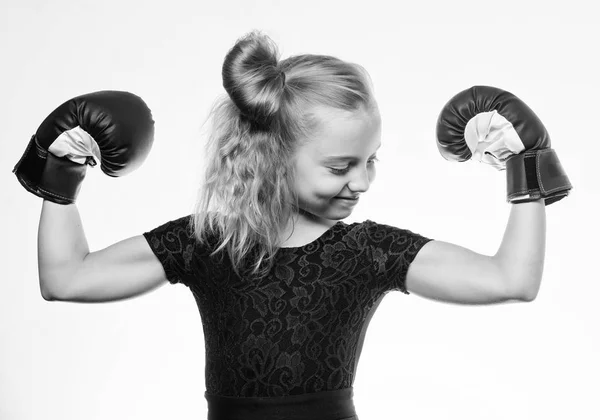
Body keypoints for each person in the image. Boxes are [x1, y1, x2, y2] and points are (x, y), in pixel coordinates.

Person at [15, 32, 571, 420]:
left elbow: (510, 280)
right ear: (272, 158)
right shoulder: (208, 240)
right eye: (340, 166)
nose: (363, 181)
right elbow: (66, 280)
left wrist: (526, 170)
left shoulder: (367, 250)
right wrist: (61, 173)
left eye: (371, 159)